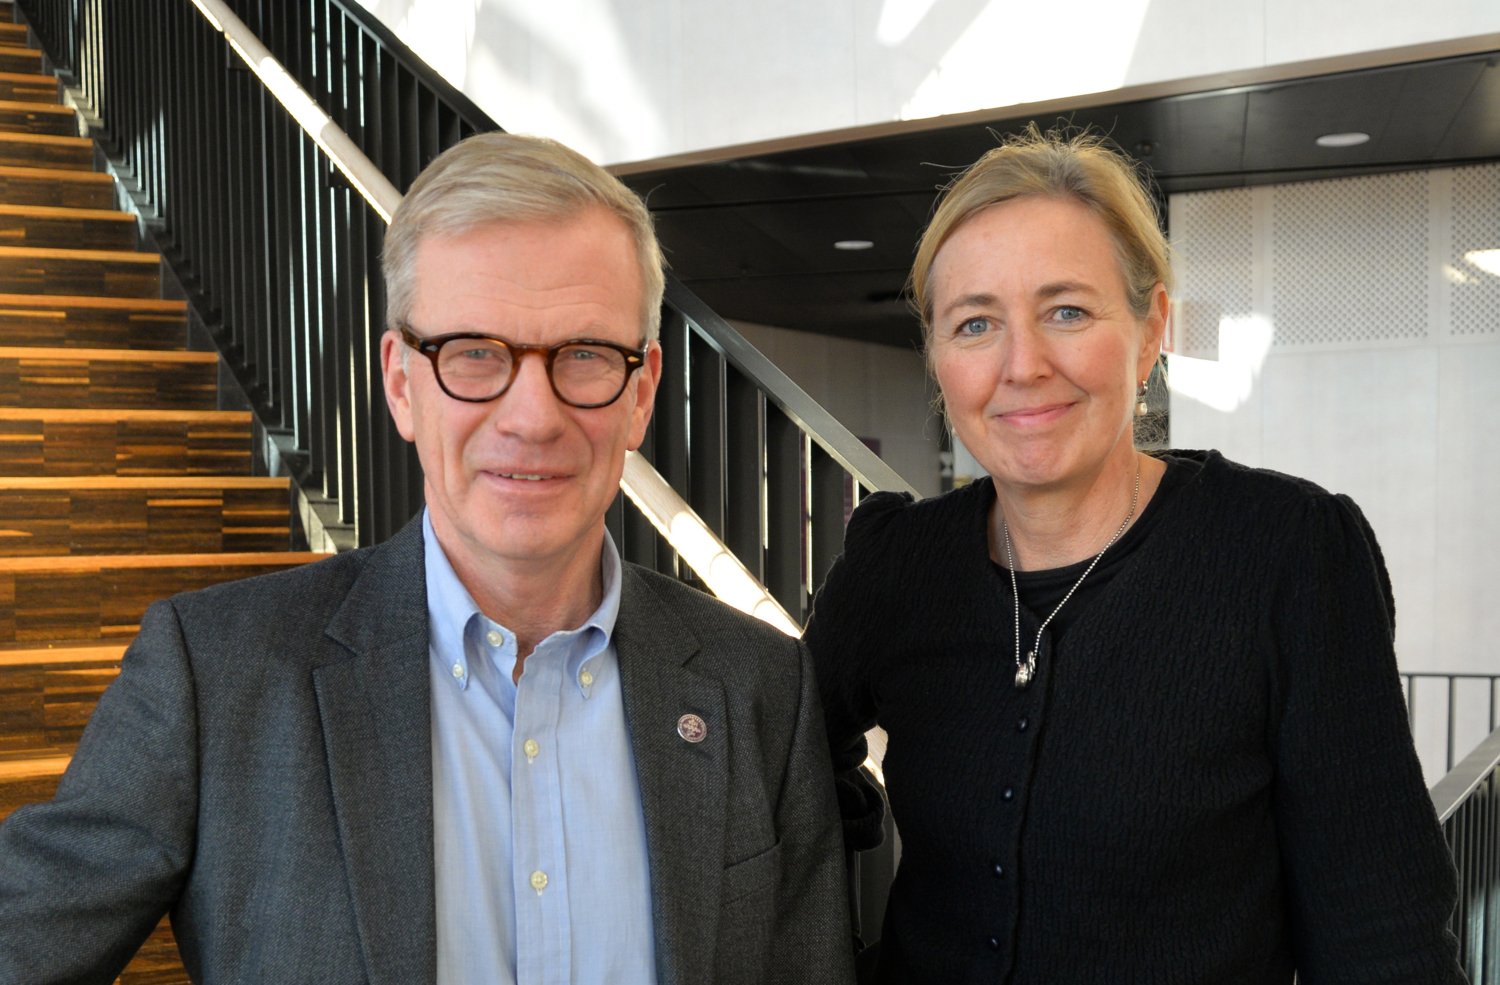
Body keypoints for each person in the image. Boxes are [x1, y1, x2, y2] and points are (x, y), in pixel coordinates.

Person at [0, 133, 855, 985]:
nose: (533, 416)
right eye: (475, 353)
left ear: (641, 392)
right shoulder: (216, 674)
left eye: (585, 355)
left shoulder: (761, 689)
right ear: (402, 383)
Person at [804, 126, 1466, 985]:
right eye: (975, 324)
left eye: (1067, 311)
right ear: (937, 355)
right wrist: (838, 816)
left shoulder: (1285, 555)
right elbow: (775, 762)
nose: (1023, 365)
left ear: (1151, 327)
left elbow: (1381, 935)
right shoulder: (898, 565)